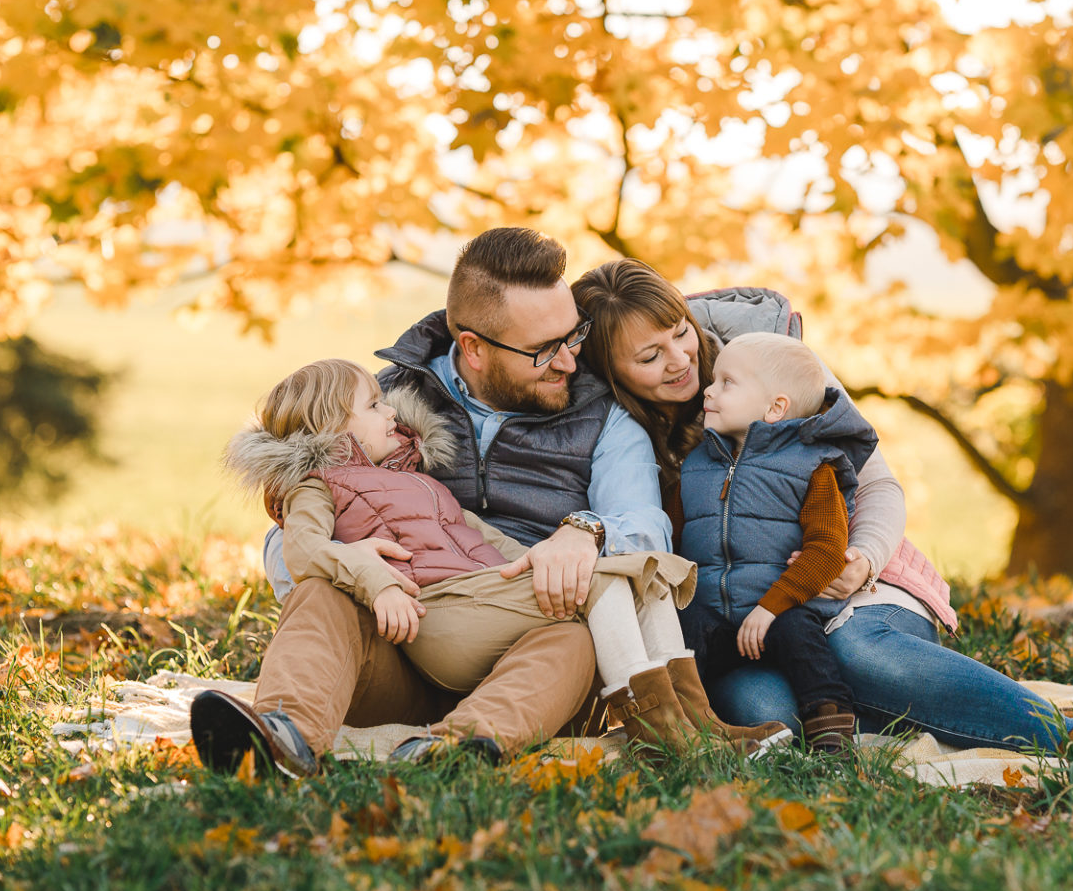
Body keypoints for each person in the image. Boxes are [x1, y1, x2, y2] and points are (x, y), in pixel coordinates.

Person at [191, 229, 763, 779]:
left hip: (538, 654)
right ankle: (280, 734)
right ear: (474, 348)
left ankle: (460, 747)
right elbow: (292, 534)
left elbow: (644, 528)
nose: (569, 361)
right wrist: (357, 563)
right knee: (322, 589)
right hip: (407, 640)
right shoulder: (386, 404)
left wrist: (583, 531)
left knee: (578, 633)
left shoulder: (603, 416)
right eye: (544, 350)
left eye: (574, 336)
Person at [572, 259, 1070, 751]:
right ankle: (875, 715)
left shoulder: (771, 365)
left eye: (680, 332)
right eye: (649, 357)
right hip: (746, 624)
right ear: (612, 374)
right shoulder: (620, 433)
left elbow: (879, 486)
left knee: (856, 651)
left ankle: (1062, 736)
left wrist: (864, 558)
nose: (680, 360)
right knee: (766, 712)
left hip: (849, 589)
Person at [676, 333, 873, 753]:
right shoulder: (696, 466)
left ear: (775, 408)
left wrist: (770, 607)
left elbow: (825, 550)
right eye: (714, 380)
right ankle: (684, 725)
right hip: (719, 620)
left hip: (780, 614)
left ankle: (832, 730)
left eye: (727, 382)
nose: (708, 390)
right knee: (686, 626)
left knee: (799, 631)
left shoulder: (812, 468)